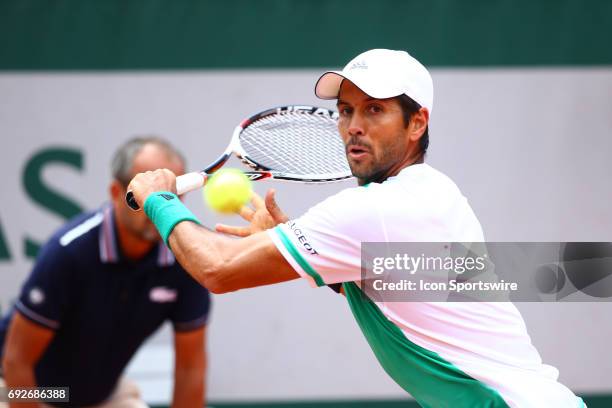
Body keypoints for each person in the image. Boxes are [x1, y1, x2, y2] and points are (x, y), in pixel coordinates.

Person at [127, 50, 583, 407]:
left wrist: (161, 201)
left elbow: (218, 270)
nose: (353, 127)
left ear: (416, 122)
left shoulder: (375, 209)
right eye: (346, 111)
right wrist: (294, 242)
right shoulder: (434, 192)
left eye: (374, 110)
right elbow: (399, 290)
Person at [0, 137, 211, 408]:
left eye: (172, 193)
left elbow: (190, 368)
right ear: (115, 192)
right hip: (22, 389)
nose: (159, 206)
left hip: (103, 397)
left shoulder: (184, 259)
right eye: (147, 195)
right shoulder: (68, 253)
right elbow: (16, 360)